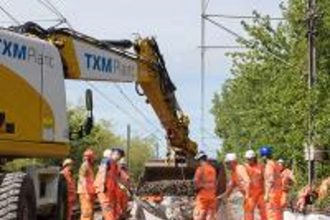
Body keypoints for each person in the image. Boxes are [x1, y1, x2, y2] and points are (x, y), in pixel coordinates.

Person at [94, 148, 125, 220]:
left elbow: (115, 178)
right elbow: (102, 173)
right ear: (115, 154)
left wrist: (121, 186)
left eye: (120, 158)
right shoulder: (106, 161)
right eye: (119, 156)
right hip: (104, 190)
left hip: (110, 191)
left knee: (112, 210)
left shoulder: (114, 164)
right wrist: (103, 187)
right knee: (108, 210)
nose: (119, 158)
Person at [219, 153, 251, 220]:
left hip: (251, 195)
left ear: (233, 162)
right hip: (246, 195)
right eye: (226, 163)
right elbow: (230, 187)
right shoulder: (233, 172)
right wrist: (223, 196)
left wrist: (247, 196)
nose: (226, 165)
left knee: (247, 215)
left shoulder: (239, 168)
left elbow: (247, 181)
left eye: (227, 163)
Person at [260, 146, 283, 220]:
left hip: (271, 193)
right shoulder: (275, 164)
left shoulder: (269, 165)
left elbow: (270, 180)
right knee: (278, 212)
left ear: (264, 156)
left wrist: (266, 194)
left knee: (271, 213)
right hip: (278, 192)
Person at [193, 151, 217, 220]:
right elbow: (214, 183)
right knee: (209, 216)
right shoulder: (213, 169)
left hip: (203, 197)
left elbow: (196, 184)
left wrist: (199, 187)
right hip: (212, 196)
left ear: (200, 160)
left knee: (199, 216)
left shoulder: (200, 169)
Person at [244, 150, 267, 220]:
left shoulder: (261, 167)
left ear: (254, 158)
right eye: (247, 159)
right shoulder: (245, 167)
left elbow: (265, 178)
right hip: (250, 194)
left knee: (264, 212)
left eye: (250, 159)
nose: (248, 160)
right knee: (248, 212)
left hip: (261, 193)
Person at [78, 149, 96, 220]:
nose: (93, 160)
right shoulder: (85, 166)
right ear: (90, 157)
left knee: (90, 212)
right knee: (87, 212)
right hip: (85, 192)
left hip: (89, 192)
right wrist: (86, 193)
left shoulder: (89, 166)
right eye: (93, 158)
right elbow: (82, 179)